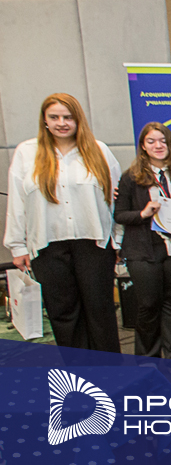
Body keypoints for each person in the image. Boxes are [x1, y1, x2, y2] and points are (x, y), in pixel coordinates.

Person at [5, 94, 122, 354]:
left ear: (78, 120)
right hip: (47, 247)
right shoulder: (27, 152)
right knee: (63, 314)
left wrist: (119, 239)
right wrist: (17, 246)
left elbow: (116, 199)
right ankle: (78, 371)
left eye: (68, 117)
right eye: (54, 117)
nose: (61, 123)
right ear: (45, 121)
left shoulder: (99, 150)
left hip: (94, 244)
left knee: (100, 310)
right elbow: (17, 202)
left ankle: (110, 370)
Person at [114, 123, 171, 374]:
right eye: (151, 141)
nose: (158, 146)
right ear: (143, 146)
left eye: (163, 140)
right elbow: (119, 215)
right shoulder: (130, 177)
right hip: (142, 249)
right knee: (148, 304)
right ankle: (147, 357)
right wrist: (143, 213)